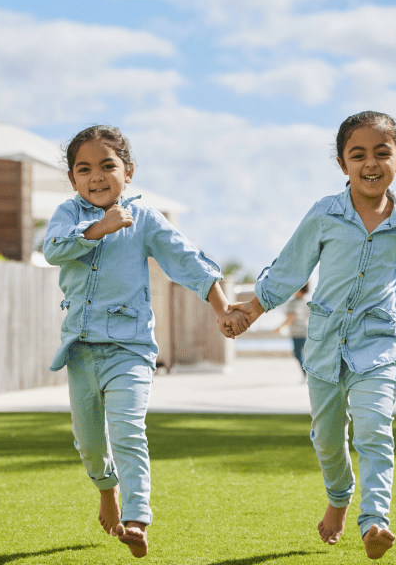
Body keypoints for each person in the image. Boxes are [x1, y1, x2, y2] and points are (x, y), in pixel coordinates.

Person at [229, 111, 396, 560]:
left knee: (375, 430)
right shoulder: (324, 214)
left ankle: (375, 521)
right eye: (358, 155)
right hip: (325, 346)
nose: (370, 163)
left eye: (381, 153)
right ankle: (339, 496)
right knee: (328, 440)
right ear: (342, 164)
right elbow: (290, 267)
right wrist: (253, 309)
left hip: (379, 345)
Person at [43, 125, 248, 558]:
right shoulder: (67, 214)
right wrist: (99, 228)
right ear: (73, 179)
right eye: (84, 169)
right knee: (89, 440)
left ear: (128, 171)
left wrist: (221, 306)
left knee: (128, 430)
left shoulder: (146, 219)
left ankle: (136, 518)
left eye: (107, 166)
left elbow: (188, 261)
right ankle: (107, 489)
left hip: (130, 348)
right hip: (80, 348)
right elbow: (54, 250)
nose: (96, 176)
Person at [275, 283, 310, 378]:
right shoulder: (308, 302)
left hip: (297, 332)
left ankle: (305, 373)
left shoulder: (292, 303)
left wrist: (279, 328)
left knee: (297, 353)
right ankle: (308, 372)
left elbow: (290, 318)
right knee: (306, 353)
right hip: (306, 331)